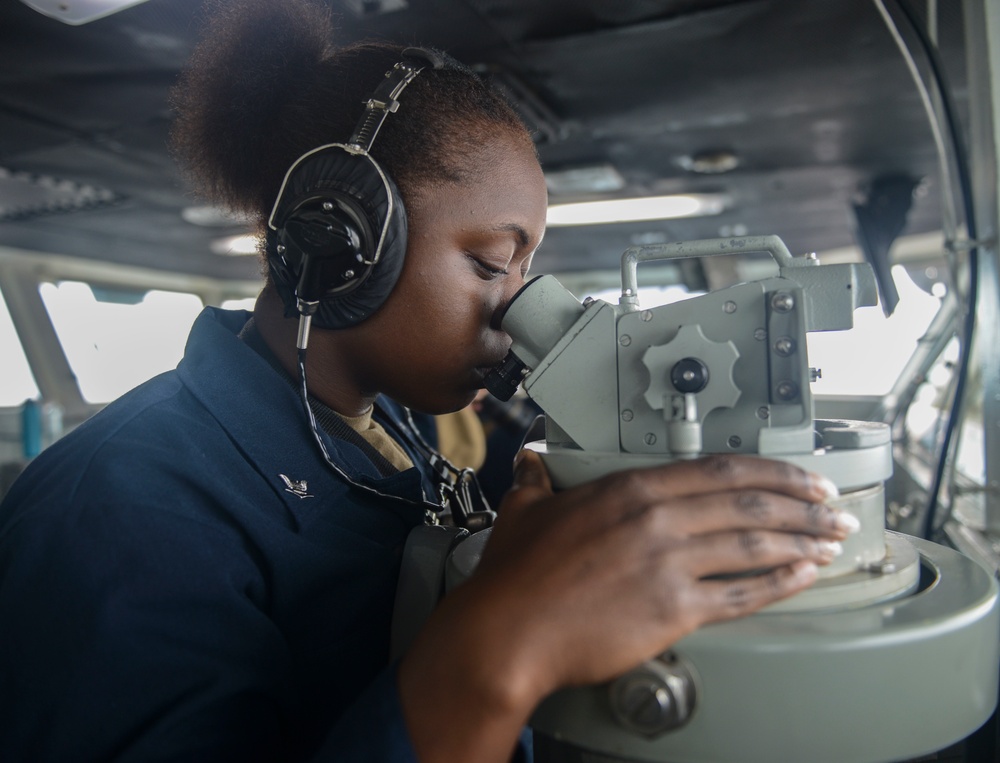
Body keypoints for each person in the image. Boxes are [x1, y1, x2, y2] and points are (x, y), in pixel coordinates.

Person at [0, 1, 857, 761]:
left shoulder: (381, 434)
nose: (515, 310)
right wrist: (498, 646)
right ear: (340, 237)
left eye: (526, 271)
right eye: (490, 262)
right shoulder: (113, 511)